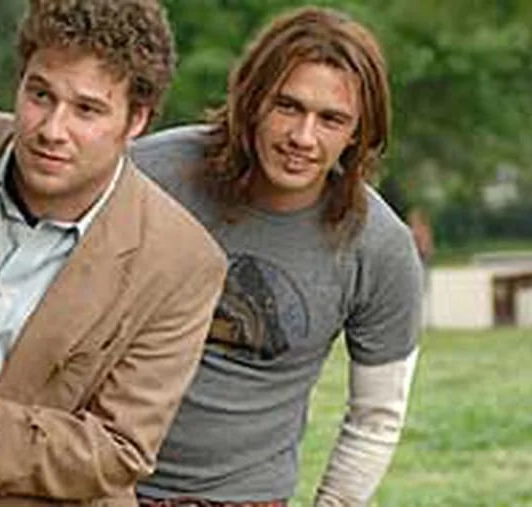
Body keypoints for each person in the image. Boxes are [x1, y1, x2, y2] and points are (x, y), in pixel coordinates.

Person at [131, 6, 422, 506]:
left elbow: (376, 417)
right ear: (252, 99)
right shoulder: (151, 173)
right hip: (100, 483)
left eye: (331, 119)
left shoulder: (379, 246)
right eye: (288, 106)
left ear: (357, 131)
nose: (302, 138)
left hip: (247, 497)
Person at [0, 1, 227, 505]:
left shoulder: (182, 263)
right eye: (40, 95)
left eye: (87, 110)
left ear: (136, 120)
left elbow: (120, 449)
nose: (52, 130)